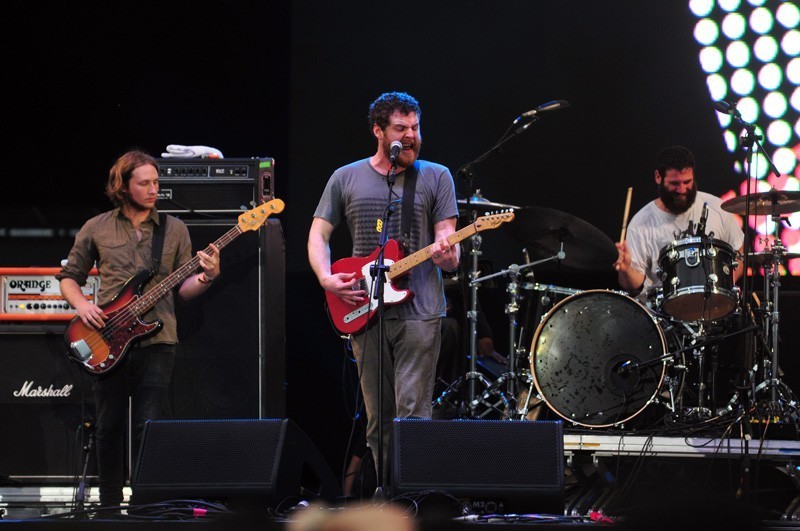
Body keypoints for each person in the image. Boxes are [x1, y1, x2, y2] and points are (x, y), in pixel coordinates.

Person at [308, 92, 459, 482]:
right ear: (378, 131)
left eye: (416, 128)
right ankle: (388, 493)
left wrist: (447, 256)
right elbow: (318, 234)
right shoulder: (346, 177)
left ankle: (412, 495)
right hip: (364, 307)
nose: (411, 136)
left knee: (413, 412)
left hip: (420, 310)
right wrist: (326, 278)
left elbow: (448, 243)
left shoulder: (436, 176)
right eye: (400, 128)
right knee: (378, 418)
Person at [57, 150, 221, 507]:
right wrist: (83, 305)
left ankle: (145, 506)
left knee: (149, 427)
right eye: (144, 183)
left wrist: (207, 276)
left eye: (156, 182)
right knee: (109, 425)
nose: (153, 190)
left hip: (157, 339)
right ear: (123, 186)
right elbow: (69, 277)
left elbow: (184, 289)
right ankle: (109, 506)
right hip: (106, 337)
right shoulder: (97, 227)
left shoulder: (174, 229)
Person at [614, 145, 744, 301]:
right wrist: (626, 269)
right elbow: (633, 285)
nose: (682, 189)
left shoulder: (717, 208)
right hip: (662, 311)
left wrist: (726, 282)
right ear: (658, 177)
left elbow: (740, 250)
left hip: (713, 305)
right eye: (675, 183)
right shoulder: (641, 223)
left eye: (687, 182)